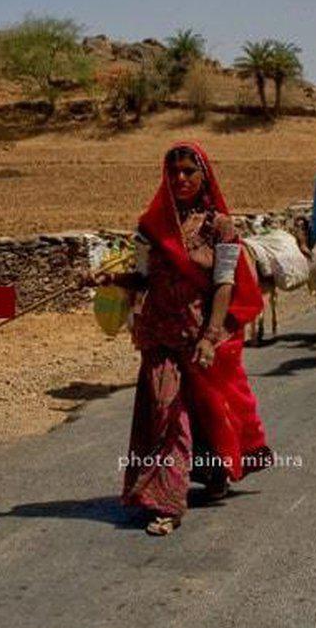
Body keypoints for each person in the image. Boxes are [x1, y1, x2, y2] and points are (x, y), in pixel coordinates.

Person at [90, 142, 271, 535]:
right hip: (159, 332)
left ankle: (211, 476)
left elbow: (224, 284)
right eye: (174, 173)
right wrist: (110, 278)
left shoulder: (220, 227)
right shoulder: (150, 228)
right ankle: (167, 500)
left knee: (204, 410)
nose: (181, 179)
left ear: (204, 175)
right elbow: (142, 278)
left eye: (189, 171)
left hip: (200, 335)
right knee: (165, 409)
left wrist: (209, 337)